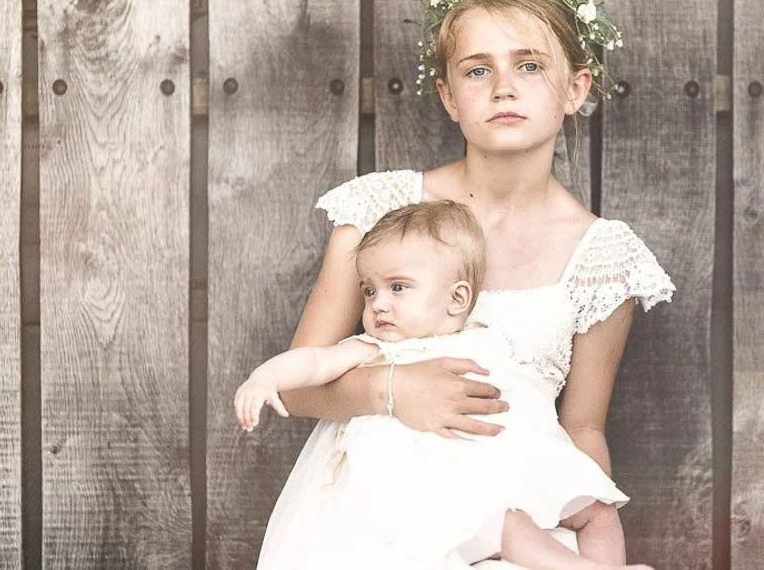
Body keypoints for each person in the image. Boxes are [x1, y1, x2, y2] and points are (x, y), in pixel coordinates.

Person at [260, 0, 676, 569]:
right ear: (451, 97)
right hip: (376, 508)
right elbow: (294, 388)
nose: (503, 87)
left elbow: (583, 427)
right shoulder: (383, 210)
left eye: (530, 65)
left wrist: (595, 542)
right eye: (477, 70)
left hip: (517, 517)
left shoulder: (603, 256)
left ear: (575, 87)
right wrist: (393, 390)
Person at [237, 200, 651, 569]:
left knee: (599, 507)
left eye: (397, 287)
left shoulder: (485, 337)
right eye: (369, 291)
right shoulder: (378, 348)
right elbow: (314, 361)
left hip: (515, 460)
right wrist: (267, 376)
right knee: (505, 523)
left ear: (456, 300)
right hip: (445, 483)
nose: (379, 303)